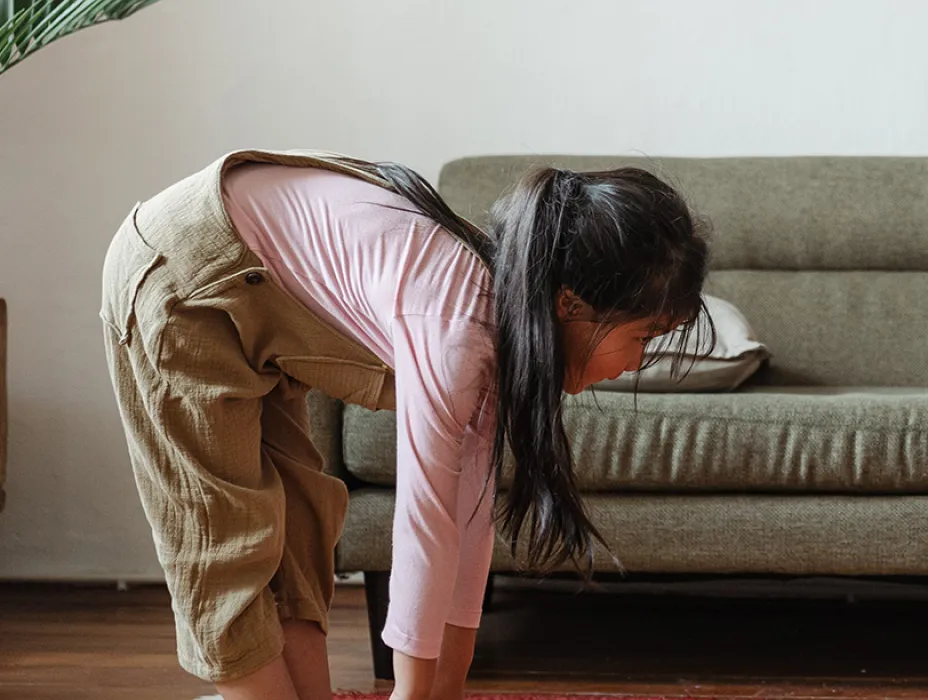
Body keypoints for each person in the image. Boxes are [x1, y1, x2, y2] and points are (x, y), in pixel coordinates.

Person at [100, 149, 713, 700]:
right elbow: (425, 520)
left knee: (298, 524)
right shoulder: (458, 329)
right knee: (225, 539)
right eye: (643, 337)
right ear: (570, 304)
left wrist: (445, 687)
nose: (638, 363)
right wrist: (414, 693)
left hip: (259, 289)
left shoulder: (510, 318)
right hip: (185, 271)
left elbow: (466, 517)